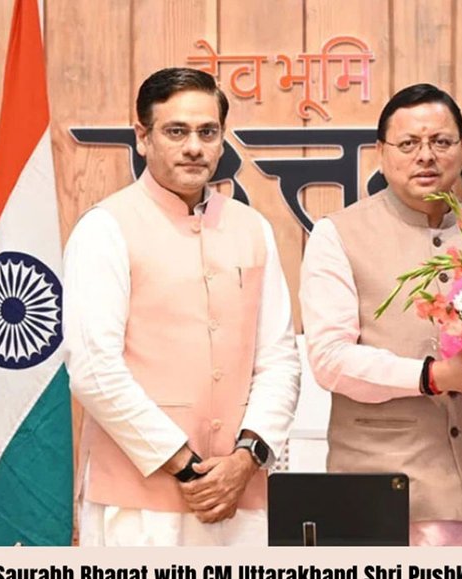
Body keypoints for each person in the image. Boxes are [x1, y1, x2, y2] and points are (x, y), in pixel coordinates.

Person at [63, 67, 299, 546]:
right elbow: (94, 370)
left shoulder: (253, 228)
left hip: (240, 494)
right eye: (176, 132)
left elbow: (279, 360)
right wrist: (186, 467)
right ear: (142, 137)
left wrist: (245, 459)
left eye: (207, 132)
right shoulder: (105, 228)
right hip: (137, 502)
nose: (194, 147)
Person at [301, 83, 462, 546]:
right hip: (376, 489)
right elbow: (329, 359)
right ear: (381, 153)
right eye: (408, 144)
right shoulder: (337, 234)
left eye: (441, 141)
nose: (426, 156)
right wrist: (433, 376)